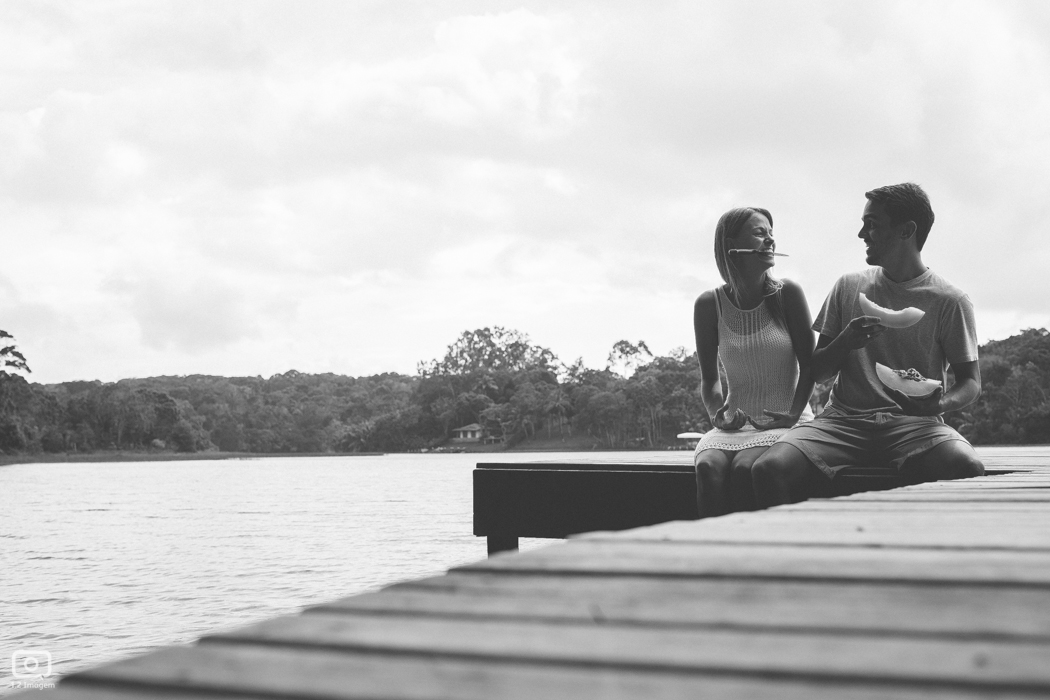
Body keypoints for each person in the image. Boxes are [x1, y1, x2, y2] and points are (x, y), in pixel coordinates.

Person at [751, 183, 984, 507]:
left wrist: (939, 405)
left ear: (906, 230)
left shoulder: (950, 301)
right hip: (842, 422)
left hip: (914, 425)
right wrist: (845, 341)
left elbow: (971, 382)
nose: (862, 233)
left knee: (967, 466)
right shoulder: (848, 287)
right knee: (768, 468)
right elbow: (819, 371)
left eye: (872, 224)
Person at [693, 207, 815, 517]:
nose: (770, 240)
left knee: (747, 467)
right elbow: (710, 380)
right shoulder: (709, 305)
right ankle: (715, 555)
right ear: (732, 246)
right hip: (735, 425)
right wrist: (716, 415)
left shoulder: (787, 294)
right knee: (708, 467)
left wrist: (792, 414)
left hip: (787, 419)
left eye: (771, 234)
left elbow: (811, 366)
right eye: (760, 234)